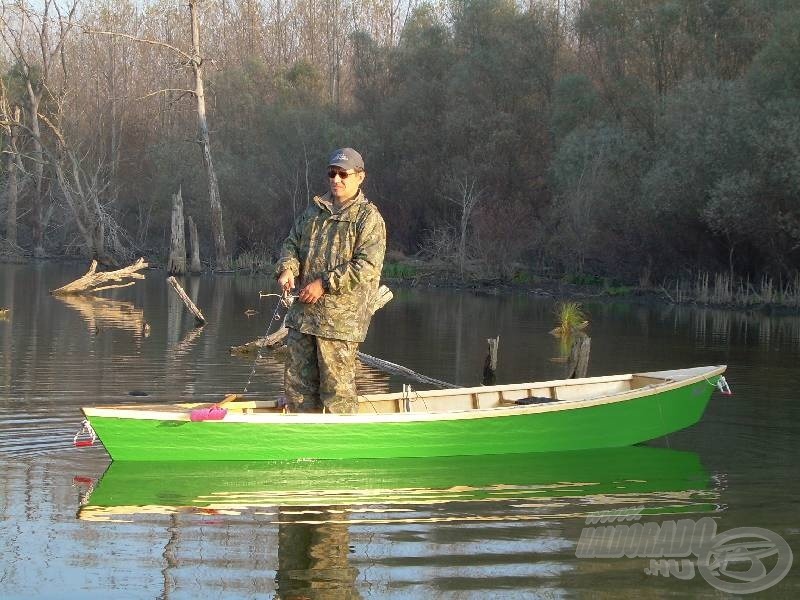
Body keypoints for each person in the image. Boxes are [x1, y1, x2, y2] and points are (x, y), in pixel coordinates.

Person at [275, 148, 386, 414]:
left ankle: (341, 446)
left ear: (360, 177)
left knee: (337, 394)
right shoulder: (313, 212)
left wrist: (324, 284)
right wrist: (288, 268)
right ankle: (302, 442)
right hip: (304, 317)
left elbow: (366, 267)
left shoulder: (368, 218)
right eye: (331, 174)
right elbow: (291, 244)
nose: (336, 180)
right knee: (297, 390)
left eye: (342, 174)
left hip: (340, 323)